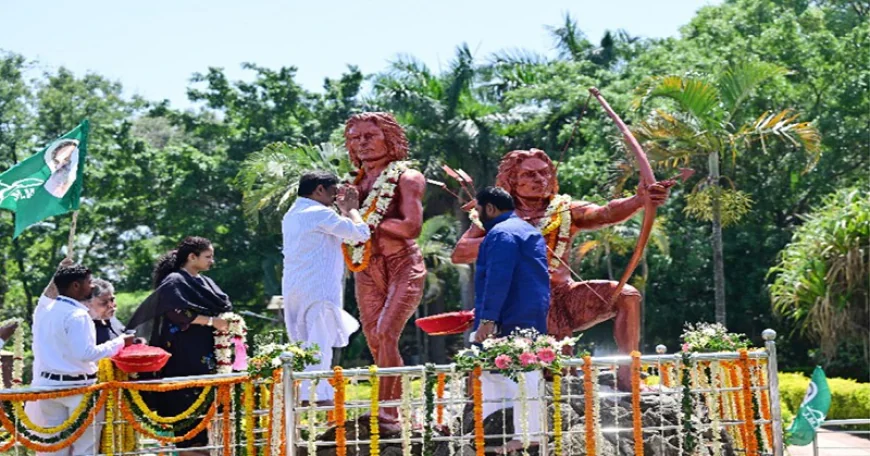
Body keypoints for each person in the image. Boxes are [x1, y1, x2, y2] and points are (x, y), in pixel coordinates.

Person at [452, 149, 669, 390]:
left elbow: (605, 213)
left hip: (565, 298)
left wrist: (639, 200)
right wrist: (516, 238)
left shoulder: (563, 209)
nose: (540, 180)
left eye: (545, 173)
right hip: (521, 302)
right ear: (513, 180)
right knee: (552, 370)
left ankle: (629, 377)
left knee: (627, 295)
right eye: (530, 174)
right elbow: (460, 252)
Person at [344, 112, 427, 425]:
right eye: (355, 138)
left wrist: (358, 216)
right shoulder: (354, 184)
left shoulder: (407, 177)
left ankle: (387, 411)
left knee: (386, 332)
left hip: (402, 263)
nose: (362, 143)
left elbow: (411, 227)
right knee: (375, 340)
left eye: (369, 136)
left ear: (389, 139)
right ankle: (400, 410)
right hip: (366, 266)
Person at [127, 236, 232, 456]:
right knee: (186, 417)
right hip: (183, 358)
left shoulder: (206, 282)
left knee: (208, 418)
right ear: (191, 257)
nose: (212, 261)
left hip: (209, 356)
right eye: (208, 256)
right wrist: (212, 322)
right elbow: (176, 312)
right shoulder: (174, 281)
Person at [470, 187, 550, 455]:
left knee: (521, 373)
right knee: (494, 374)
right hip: (529, 312)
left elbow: (498, 278)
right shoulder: (527, 229)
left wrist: (488, 318)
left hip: (509, 315)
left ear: (490, 209)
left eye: (479, 210)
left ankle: (529, 436)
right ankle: (496, 434)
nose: (477, 216)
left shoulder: (502, 233)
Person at [282, 171, 370, 404]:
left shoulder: (291, 214)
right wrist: (350, 209)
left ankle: (305, 395)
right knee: (319, 343)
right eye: (333, 192)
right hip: (318, 290)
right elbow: (360, 234)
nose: (335, 197)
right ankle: (317, 398)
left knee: (303, 345)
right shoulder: (318, 212)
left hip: (295, 289)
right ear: (319, 190)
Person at [30, 263, 134, 456]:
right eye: (88, 282)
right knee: (85, 448)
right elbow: (86, 353)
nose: (92, 286)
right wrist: (120, 342)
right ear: (75, 286)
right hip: (78, 388)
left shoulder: (44, 309)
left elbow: (47, 294)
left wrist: (59, 271)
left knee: (53, 448)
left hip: (47, 387)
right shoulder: (77, 315)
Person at [85, 278, 126, 344]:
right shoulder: (85, 330)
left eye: (112, 300)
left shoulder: (112, 319)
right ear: (88, 305)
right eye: (104, 303)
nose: (111, 305)